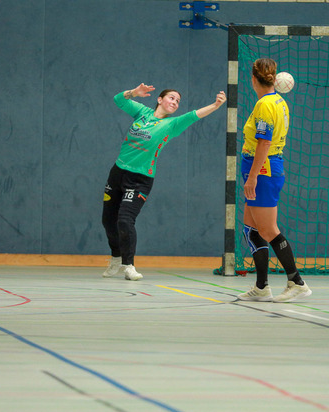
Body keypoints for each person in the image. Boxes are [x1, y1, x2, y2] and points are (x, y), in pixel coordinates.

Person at [102, 83, 227, 280]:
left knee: (125, 220)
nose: (175, 102)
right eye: (171, 98)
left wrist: (215, 105)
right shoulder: (142, 112)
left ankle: (129, 265)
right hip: (117, 173)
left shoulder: (172, 124)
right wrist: (134, 93)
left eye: (178, 101)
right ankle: (116, 257)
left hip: (140, 179)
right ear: (159, 100)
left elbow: (194, 115)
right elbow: (118, 99)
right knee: (108, 221)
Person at [237, 58, 311, 303]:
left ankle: (297, 282)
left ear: (253, 79)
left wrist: (252, 177)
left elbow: (265, 142)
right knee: (251, 228)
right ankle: (261, 286)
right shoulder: (278, 101)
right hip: (261, 167)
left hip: (264, 170)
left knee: (268, 230)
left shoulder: (265, 105)